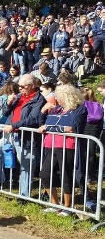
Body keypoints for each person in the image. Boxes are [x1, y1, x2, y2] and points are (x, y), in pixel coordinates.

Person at [0, 74, 46, 195]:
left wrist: (13, 126)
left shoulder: (39, 99)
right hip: (11, 134)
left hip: (26, 137)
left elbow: (32, 119)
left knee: (26, 165)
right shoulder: (20, 96)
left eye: (22, 86)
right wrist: (8, 104)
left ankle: (24, 195)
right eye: (19, 86)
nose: (20, 88)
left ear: (32, 86)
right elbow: (7, 113)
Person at [38, 84, 87, 217]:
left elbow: (71, 128)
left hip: (67, 146)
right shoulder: (57, 109)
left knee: (66, 176)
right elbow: (40, 125)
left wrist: (48, 128)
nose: (56, 99)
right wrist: (43, 111)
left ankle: (67, 207)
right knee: (44, 174)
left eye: (58, 96)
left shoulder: (79, 109)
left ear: (66, 96)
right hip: (51, 144)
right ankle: (55, 204)